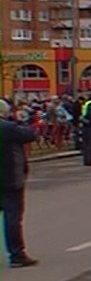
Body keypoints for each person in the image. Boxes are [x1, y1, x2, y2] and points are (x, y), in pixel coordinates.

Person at [0, 100, 39, 267]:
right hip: (9, 177)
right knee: (12, 216)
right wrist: (19, 120)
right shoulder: (7, 128)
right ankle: (16, 254)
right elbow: (30, 134)